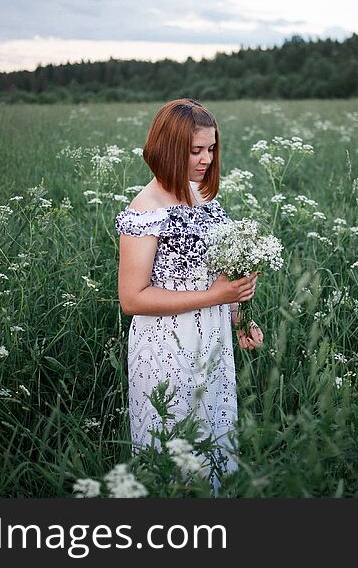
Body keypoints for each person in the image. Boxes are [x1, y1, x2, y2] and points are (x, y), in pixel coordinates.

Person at [114, 98, 263, 493]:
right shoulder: (145, 209)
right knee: (175, 449)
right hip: (167, 346)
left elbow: (217, 274)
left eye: (211, 148)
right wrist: (214, 297)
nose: (206, 159)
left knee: (213, 443)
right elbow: (132, 298)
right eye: (195, 150)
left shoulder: (203, 196)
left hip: (214, 337)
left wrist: (238, 315)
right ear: (167, 148)